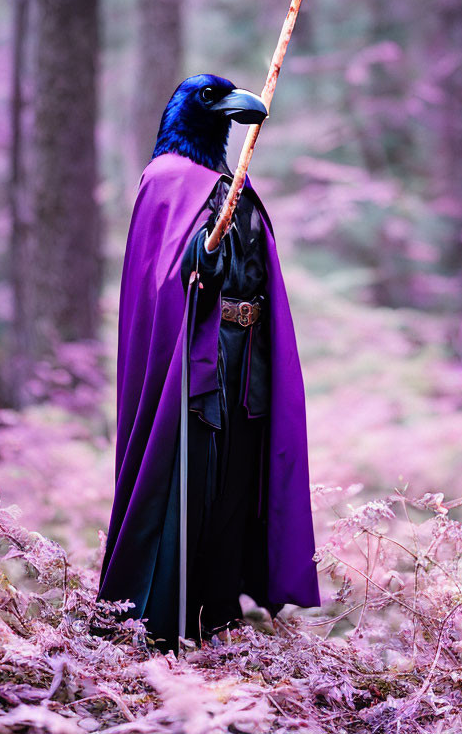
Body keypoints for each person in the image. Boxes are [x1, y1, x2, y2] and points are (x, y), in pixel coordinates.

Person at [97, 74, 320, 653]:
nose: (225, 107)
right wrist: (202, 255)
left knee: (237, 484)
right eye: (209, 99)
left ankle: (219, 613)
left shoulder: (230, 182)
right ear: (185, 110)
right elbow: (165, 279)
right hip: (199, 363)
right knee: (190, 480)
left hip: (247, 366)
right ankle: (160, 622)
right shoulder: (166, 180)